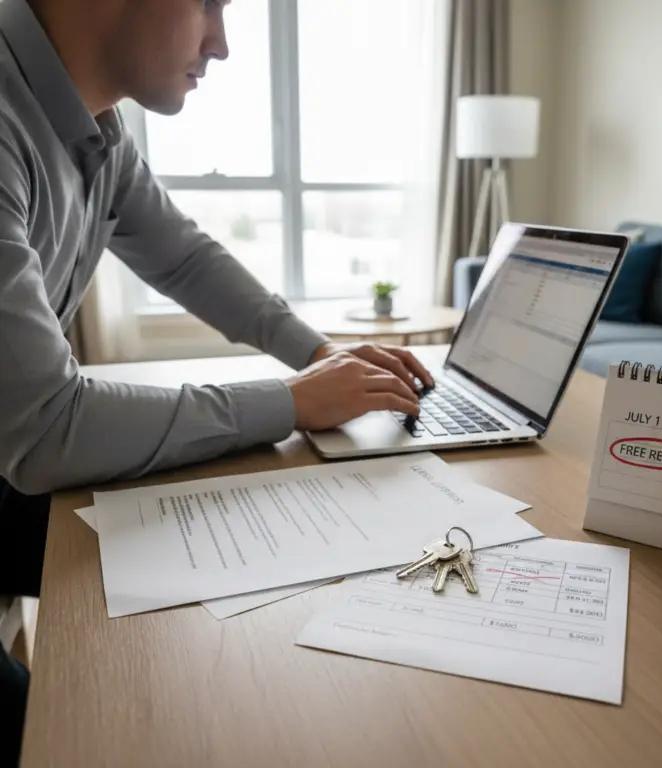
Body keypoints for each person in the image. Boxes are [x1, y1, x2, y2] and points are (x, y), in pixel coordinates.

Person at [0, 0, 432, 762]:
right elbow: (44, 428)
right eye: (210, 3)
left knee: (217, 565)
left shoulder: (97, 130)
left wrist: (326, 357)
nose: (222, 44)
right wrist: (294, 402)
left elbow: (186, 258)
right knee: (81, 740)